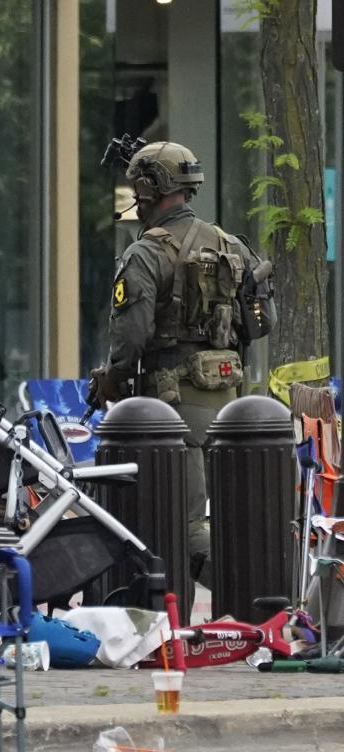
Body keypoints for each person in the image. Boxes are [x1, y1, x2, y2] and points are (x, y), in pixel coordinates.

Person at [88, 140, 270, 587]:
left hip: (172, 408)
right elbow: (260, 324)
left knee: (184, 526)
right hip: (231, 406)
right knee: (226, 521)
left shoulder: (146, 252)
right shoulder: (232, 245)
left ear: (150, 187)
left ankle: (253, 598)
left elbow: (130, 336)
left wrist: (110, 379)